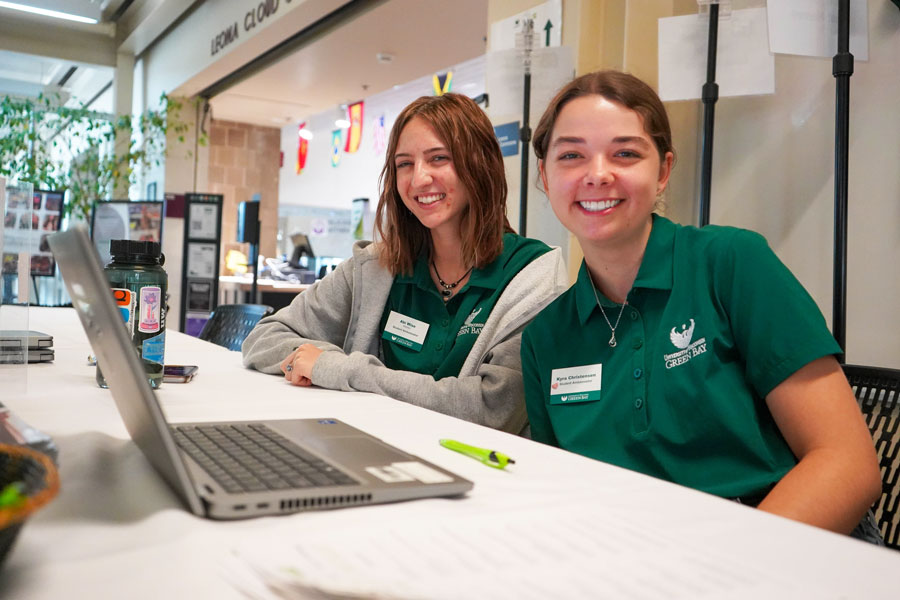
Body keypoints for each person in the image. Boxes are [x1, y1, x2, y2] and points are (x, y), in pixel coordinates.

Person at [520, 70, 882, 539]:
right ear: (545, 177)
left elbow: (847, 464)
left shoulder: (730, 263)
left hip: (783, 543)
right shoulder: (546, 337)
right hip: (635, 558)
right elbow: (562, 493)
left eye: (626, 153)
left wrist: (720, 575)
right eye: (571, 155)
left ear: (664, 170)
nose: (598, 174)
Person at [243, 93, 568, 434]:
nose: (418, 179)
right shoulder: (376, 267)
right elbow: (263, 337)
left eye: (439, 158)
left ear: (480, 162)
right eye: (404, 164)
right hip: (369, 453)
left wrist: (336, 369)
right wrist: (320, 358)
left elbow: (492, 408)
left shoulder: (533, 275)